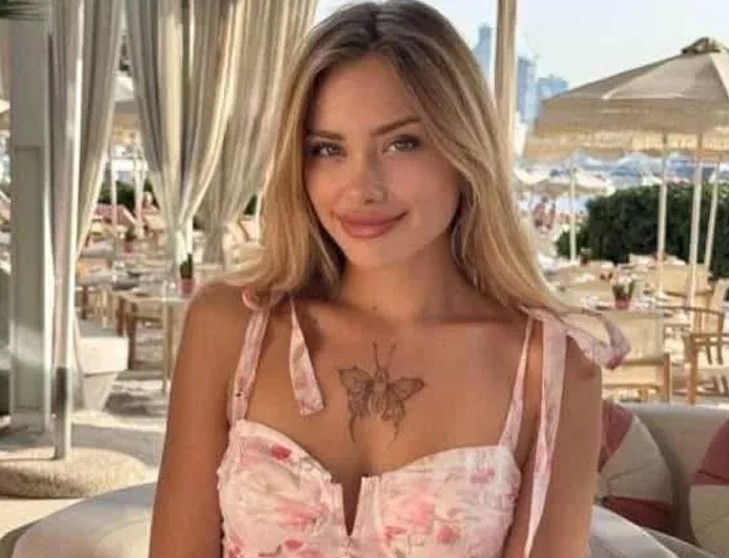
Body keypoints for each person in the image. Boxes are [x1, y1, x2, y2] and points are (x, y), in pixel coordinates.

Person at [148, 2, 628, 557]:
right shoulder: (230, 327)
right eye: (327, 149)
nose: (361, 188)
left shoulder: (554, 365)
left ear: (464, 149)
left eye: (401, 143)